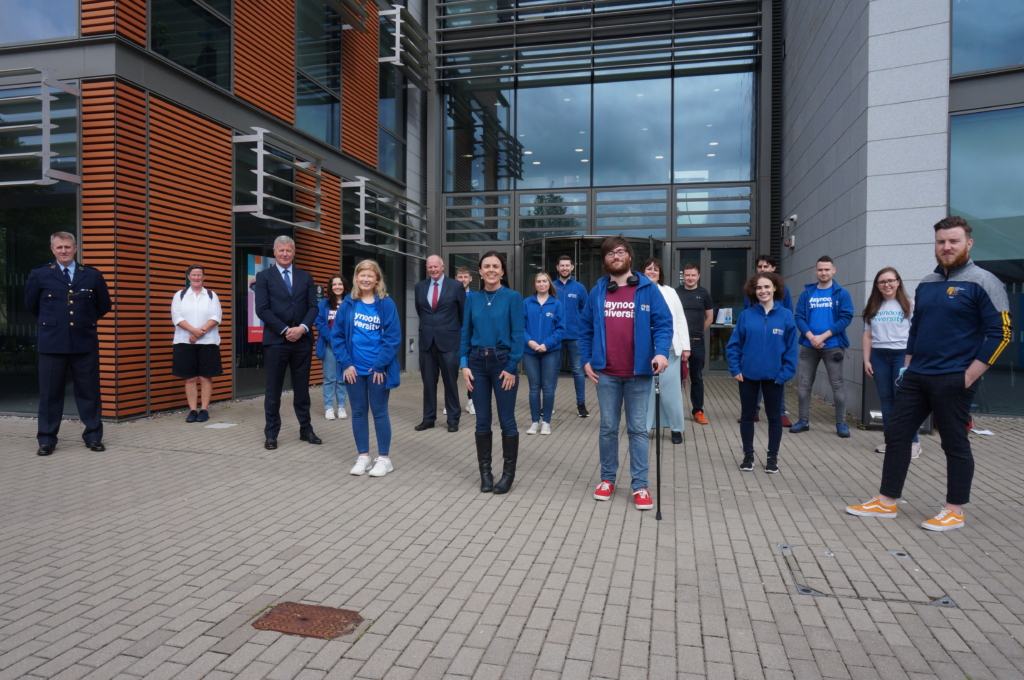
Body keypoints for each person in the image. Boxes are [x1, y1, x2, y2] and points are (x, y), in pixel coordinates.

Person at [846, 216, 1012, 532]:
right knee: (896, 435)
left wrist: (969, 376)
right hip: (917, 375)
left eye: (953, 241)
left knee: (954, 443)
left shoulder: (985, 282)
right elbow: (917, 329)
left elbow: (1001, 333)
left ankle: (954, 510)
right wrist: (908, 365)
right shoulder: (927, 284)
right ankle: (886, 501)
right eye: (941, 242)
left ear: (968, 243)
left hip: (954, 378)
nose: (946, 247)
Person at [579, 238, 672, 510]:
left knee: (638, 430)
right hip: (605, 373)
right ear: (605, 260)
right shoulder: (598, 291)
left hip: (639, 373)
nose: (615, 256)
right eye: (610, 253)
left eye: (620, 251)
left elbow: (663, 324)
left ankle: (640, 485)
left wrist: (662, 351)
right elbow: (585, 329)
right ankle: (607, 479)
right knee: (608, 427)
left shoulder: (647, 289)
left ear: (630, 256)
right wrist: (586, 359)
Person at [24, 231, 112, 456]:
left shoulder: (91, 275)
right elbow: (32, 305)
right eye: (59, 247)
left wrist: (84, 321)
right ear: (52, 249)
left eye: (67, 247)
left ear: (75, 248)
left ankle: (93, 436)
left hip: (84, 343)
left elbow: (104, 305)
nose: (63, 251)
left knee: (89, 393)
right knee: (50, 394)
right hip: (52, 344)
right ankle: (46, 440)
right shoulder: (40, 274)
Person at [461, 251, 524, 495]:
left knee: (507, 420)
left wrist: (511, 367)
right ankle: (485, 474)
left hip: (502, 364)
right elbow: (465, 332)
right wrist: (464, 364)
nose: (491, 270)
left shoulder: (513, 297)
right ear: (480, 271)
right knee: (482, 420)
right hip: (476, 363)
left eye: (495, 266)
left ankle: (508, 475)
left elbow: (518, 334)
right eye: (486, 266)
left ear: (502, 271)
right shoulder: (472, 299)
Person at [332, 260, 402, 477]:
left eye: (370, 276)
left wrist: (380, 365)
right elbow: (337, 337)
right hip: (354, 370)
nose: (365, 279)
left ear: (377, 279)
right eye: (362, 275)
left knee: (380, 413)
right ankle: (363, 457)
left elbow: (393, 338)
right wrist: (346, 364)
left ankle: (384, 459)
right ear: (356, 278)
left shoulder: (386, 304)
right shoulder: (347, 304)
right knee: (359, 413)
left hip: (378, 371)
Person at [727, 273, 798, 473]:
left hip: (775, 378)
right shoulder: (746, 316)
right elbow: (734, 345)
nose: (763, 291)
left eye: (767, 287)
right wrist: (735, 368)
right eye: (759, 288)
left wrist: (785, 374)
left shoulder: (786, 316)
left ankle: (772, 458)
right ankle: (748, 456)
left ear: (775, 288)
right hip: (747, 375)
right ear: (753, 291)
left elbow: (792, 350)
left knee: (775, 418)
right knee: (747, 416)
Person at [253, 235, 320, 450]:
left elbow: (313, 307)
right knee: (273, 389)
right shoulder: (264, 277)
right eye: (281, 250)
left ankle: (306, 430)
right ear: (274, 252)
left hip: (302, 340)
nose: (284, 254)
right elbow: (262, 309)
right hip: (276, 341)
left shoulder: (306, 276)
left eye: (288, 251)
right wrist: (284, 330)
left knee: (302, 389)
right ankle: (271, 434)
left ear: (294, 252)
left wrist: (301, 329)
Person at [791, 255, 854, 437]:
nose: (823, 272)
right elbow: (799, 317)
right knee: (804, 384)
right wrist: (812, 337)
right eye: (820, 269)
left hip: (833, 345)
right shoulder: (807, 294)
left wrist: (823, 336)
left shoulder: (842, 293)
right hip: (809, 345)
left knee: (837, 385)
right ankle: (803, 420)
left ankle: (841, 423)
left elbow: (846, 318)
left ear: (833, 270)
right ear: (815, 271)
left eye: (827, 269)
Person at [861, 267, 921, 458]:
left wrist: (911, 360)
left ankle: (913, 442)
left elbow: (917, 333)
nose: (886, 285)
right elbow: (867, 335)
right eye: (882, 282)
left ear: (898, 282)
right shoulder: (873, 306)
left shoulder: (909, 305)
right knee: (886, 401)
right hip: (879, 356)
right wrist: (866, 360)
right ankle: (892, 441)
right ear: (877, 285)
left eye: (890, 281)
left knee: (904, 401)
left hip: (902, 355)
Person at [740, 254, 795, 427]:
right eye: (760, 266)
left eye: (766, 266)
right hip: (756, 342)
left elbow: (788, 314)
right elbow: (747, 314)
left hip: (775, 339)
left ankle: (781, 411)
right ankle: (753, 411)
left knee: (777, 378)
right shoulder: (751, 291)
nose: (762, 269)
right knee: (753, 376)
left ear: (773, 268)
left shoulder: (783, 291)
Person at [641, 258, 690, 445]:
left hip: (669, 350)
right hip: (645, 351)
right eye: (648, 269)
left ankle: (677, 429)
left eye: (655, 269)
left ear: (660, 273)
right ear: (642, 271)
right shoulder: (636, 292)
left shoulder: (670, 292)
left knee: (671, 392)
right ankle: (644, 428)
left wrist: (686, 346)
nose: (652, 272)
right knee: (646, 392)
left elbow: (680, 320)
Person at [415, 255, 466, 432]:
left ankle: (453, 419)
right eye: (430, 267)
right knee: (428, 383)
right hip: (427, 342)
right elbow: (421, 311)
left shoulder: (456, 286)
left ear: (443, 266)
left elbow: (463, 315)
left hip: (449, 342)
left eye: (436, 266)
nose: (433, 270)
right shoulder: (419, 287)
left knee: (450, 382)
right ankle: (428, 418)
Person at [171, 264, 223, 423]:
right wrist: (193, 331)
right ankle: (193, 410)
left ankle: (204, 409)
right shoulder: (179, 295)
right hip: (184, 342)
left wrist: (199, 332)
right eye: (193, 275)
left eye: (199, 275)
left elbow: (216, 317)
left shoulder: (212, 295)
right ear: (188, 277)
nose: (196, 278)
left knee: (205, 377)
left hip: (208, 342)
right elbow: (177, 317)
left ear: (204, 277)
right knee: (190, 378)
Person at [523, 272, 565, 436]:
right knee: (534, 387)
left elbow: (561, 329)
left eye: (544, 281)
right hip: (530, 351)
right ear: (534, 284)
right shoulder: (526, 303)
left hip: (550, 352)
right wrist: (530, 342)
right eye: (538, 281)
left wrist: (546, 344)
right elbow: (520, 326)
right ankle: (534, 422)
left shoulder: (556, 304)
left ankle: (546, 422)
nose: (541, 284)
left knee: (548, 388)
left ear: (549, 284)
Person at [553, 255, 590, 417]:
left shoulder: (580, 288)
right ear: (557, 268)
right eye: (562, 265)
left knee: (577, 370)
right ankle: (548, 404)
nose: (565, 268)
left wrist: (581, 328)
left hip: (575, 336)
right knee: (552, 371)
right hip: (556, 336)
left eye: (567, 265)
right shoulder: (551, 286)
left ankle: (581, 404)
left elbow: (586, 310)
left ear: (572, 267)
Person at [675, 262, 712, 424]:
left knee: (696, 378)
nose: (690, 278)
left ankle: (698, 411)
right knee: (674, 379)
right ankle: (673, 411)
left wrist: (697, 333)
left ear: (698, 276)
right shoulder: (675, 293)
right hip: (677, 343)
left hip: (696, 343)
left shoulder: (704, 294)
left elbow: (709, 318)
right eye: (687, 275)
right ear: (683, 276)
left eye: (693, 275)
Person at [315, 274, 350, 421]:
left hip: (345, 346)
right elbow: (319, 322)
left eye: (340, 284)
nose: (337, 287)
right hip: (329, 345)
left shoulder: (350, 303)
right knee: (329, 378)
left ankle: (341, 406)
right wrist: (331, 338)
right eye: (334, 284)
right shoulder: (323, 304)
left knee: (342, 377)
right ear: (331, 287)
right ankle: (329, 407)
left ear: (344, 286)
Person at [449, 266, 475, 416]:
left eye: (466, 277)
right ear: (455, 279)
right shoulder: (449, 295)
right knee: (451, 372)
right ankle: (451, 403)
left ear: (470, 279)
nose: (463, 280)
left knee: (472, 371)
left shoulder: (475, 297)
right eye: (460, 277)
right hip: (453, 339)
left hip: (470, 340)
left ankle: (471, 402)